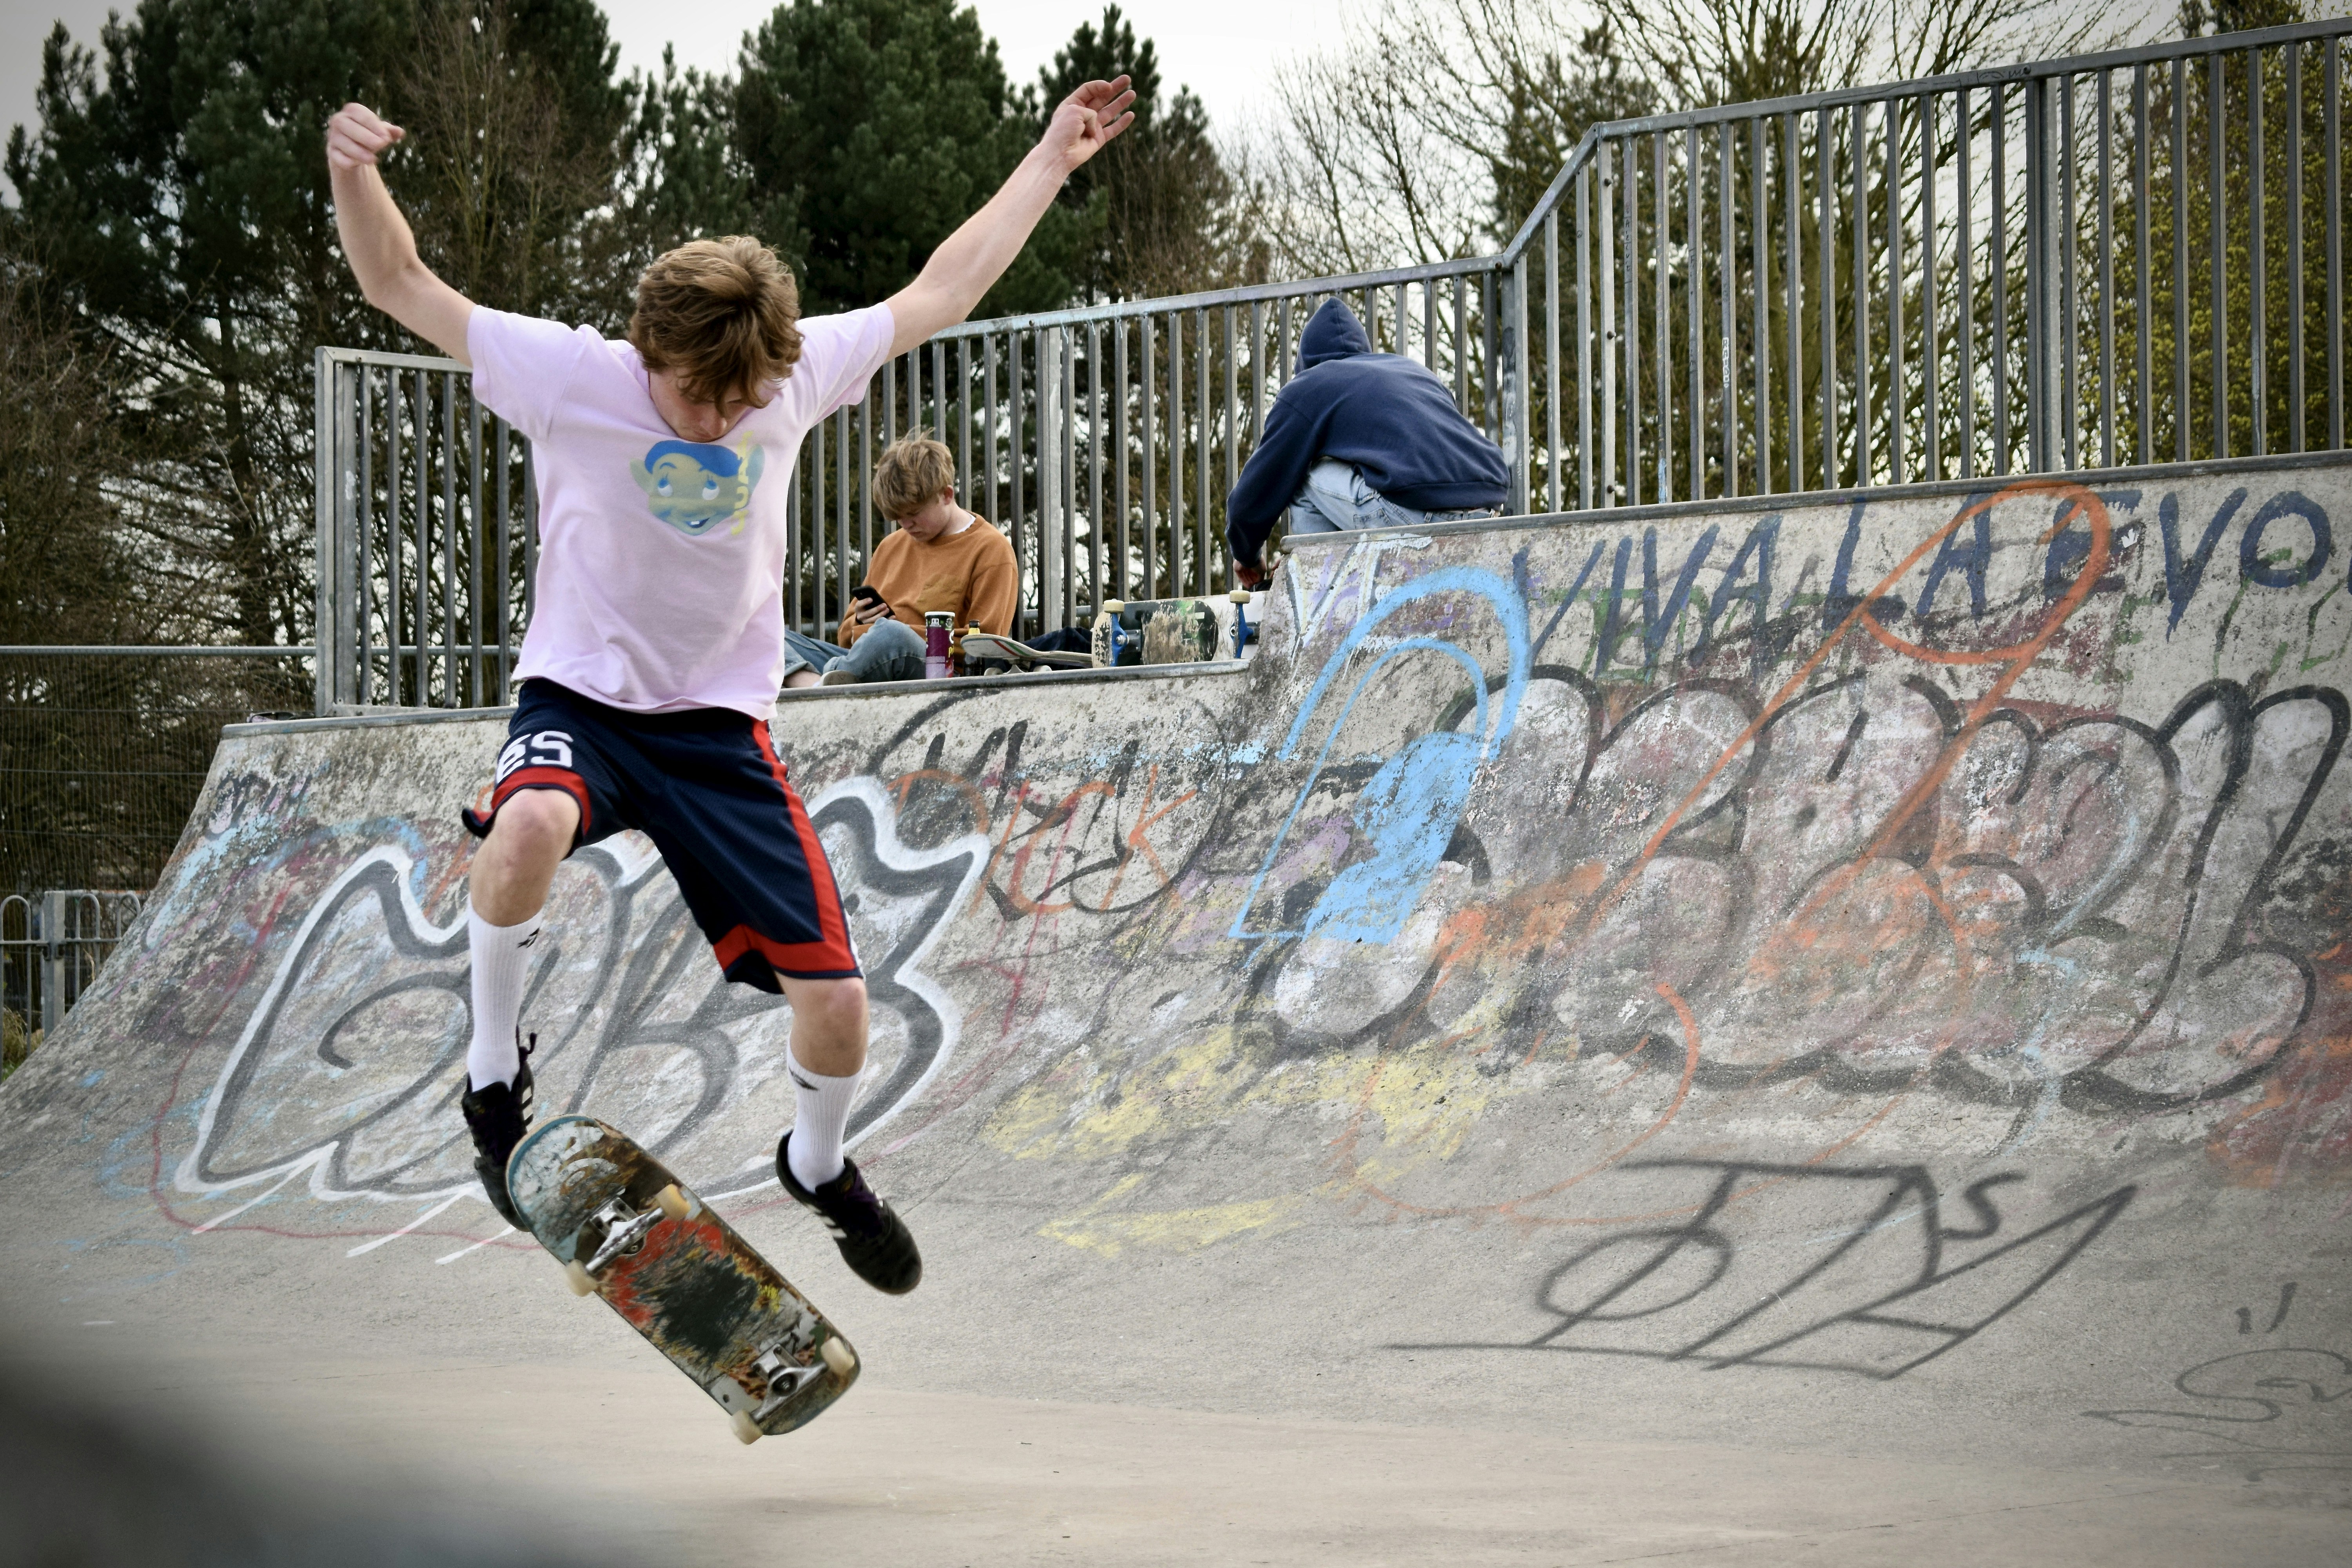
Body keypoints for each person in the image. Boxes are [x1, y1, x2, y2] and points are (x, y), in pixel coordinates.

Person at [322, 76, 1135, 1295]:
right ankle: (492, 1079)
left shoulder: (791, 375)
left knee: (839, 1005)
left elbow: (943, 290)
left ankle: (817, 1164)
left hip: (720, 736)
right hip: (581, 705)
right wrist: (353, 170)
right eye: (697, 398)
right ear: (648, 353)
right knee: (526, 825)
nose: (718, 421)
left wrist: (1049, 162)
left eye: (738, 403)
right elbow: (399, 283)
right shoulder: (566, 375)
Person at [1224, 298, 1508, 588]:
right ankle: (1344, 573)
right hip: (1488, 510)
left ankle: (1316, 587)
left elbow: (1256, 492)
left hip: (1422, 512)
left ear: (1306, 365)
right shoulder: (1415, 373)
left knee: (1300, 474)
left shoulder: (1309, 387)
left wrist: (1247, 555)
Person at [781, 432, 1016, 688]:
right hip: (861, 660)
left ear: (946, 495)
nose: (906, 525)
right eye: (897, 517)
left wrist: (891, 632)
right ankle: (817, 685)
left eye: (913, 514)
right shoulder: (890, 546)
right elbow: (846, 637)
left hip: (942, 671)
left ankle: (820, 689)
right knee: (767, 635)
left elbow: (985, 647)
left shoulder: (992, 550)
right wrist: (861, 621)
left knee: (891, 637)